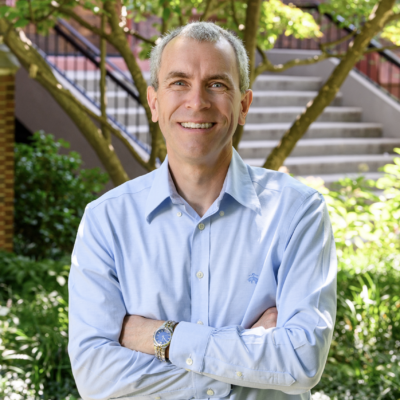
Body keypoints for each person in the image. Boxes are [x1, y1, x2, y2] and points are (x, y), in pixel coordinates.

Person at [68, 22, 337, 400]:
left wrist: (158, 336)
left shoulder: (297, 212)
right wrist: (248, 359)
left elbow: (301, 360)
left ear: (243, 105)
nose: (197, 102)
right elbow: (96, 380)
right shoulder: (105, 221)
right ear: (154, 102)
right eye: (178, 82)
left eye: (217, 84)